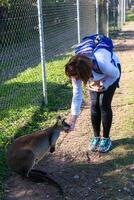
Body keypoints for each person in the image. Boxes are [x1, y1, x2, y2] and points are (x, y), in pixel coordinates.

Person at [65, 39, 121, 153]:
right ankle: (96, 137)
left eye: (77, 78)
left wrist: (103, 85)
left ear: (84, 74)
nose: (75, 80)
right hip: (93, 73)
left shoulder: (102, 63)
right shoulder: (75, 68)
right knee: (94, 104)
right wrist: (73, 119)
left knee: (103, 104)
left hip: (111, 73)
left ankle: (106, 139)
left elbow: (116, 74)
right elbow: (77, 94)